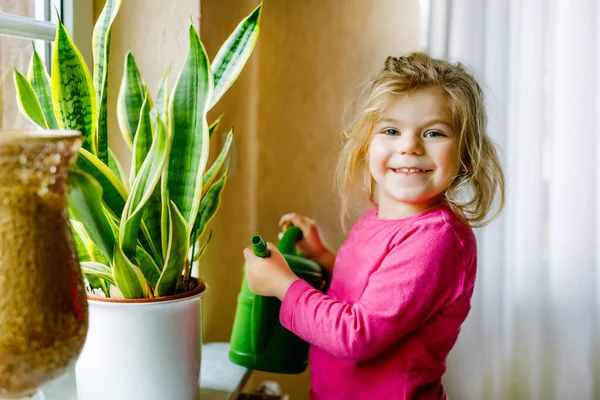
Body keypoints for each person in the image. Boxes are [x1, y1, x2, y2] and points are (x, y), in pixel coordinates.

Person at [243, 52, 505, 400]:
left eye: (433, 133)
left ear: (466, 154)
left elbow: (357, 334)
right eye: (392, 130)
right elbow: (376, 297)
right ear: (367, 145)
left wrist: (283, 286)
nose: (409, 146)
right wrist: (323, 257)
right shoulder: (377, 218)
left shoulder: (436, 239)